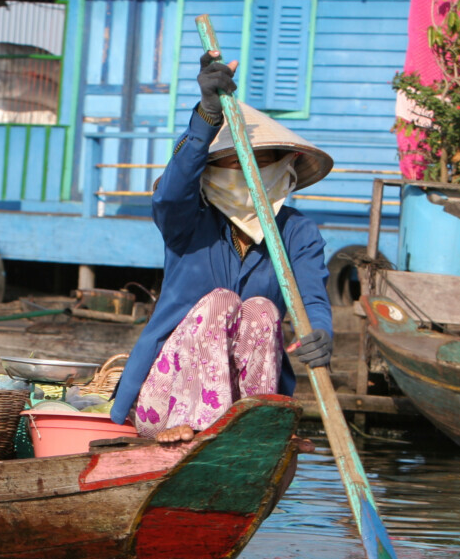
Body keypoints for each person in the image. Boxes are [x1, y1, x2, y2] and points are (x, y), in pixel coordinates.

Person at [109, 52, 335, 443]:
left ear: (286, 166)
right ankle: (196, 424)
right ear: (211, 172)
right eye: (233, 164)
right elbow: (172, 192)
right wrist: (207, 116)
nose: (248, 175)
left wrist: (320, 333)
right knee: (221, 301)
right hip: (167, 403)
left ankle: (253, 424)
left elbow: (312, 300)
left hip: (243, 409)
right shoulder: (189, 221)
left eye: (263, 163)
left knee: (263, 310)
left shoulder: (297, 232)